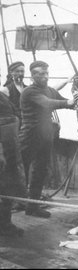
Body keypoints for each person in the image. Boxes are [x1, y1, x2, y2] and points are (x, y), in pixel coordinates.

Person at [19, 60, 75, 218]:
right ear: (33, 75)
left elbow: (64, 101)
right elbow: (47, 103)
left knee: (40, 172)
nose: (45, 77)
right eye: (40, 74)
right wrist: (68, 102)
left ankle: (32, 207)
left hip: (45, 137)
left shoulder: (49, 90)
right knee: (19, 170)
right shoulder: (29, 92)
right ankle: (8, 206)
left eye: (46, 73)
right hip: (29, 137)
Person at [0, 73, 25, 237]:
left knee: (7, 187)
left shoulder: (3, 97)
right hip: (2, 151)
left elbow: (15, 115)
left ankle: (5, 224)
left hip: (10, 150)